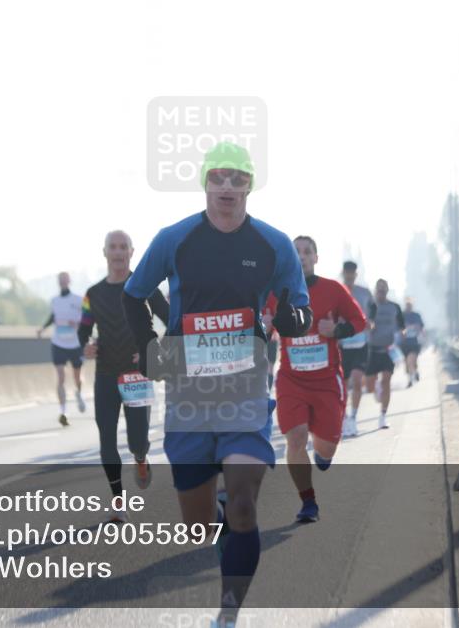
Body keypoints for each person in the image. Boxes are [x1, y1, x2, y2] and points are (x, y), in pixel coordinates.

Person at [123, 141, 311, 627]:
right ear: (205, 182)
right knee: (199, 527)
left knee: (246, 507)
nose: (227, 187)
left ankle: (228, 611)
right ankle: (218, 505)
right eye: (218, 177)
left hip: (246, 390)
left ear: (251, 185)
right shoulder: (175, 238)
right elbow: (134, 293)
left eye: (238, 178)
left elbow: (300, 309)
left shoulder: (273, 244)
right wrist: (149, 347)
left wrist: (290, 319)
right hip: (189, 394)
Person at [264, 236, 365, 523]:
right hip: (291, 380)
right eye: (296, 252)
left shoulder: (334, 290)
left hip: (326, 382)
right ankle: (308, 502)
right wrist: (265, 325)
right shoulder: (275, 292)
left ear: (316, 258)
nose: (302, 256)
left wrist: (337, 330)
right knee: (294, 438)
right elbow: (258, 323)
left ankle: (324, 454)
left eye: (307, 252)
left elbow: (360, 322)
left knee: (325, 448)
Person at [77, 230, 169, 523]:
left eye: (123, 247)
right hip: (105, 374)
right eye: (112, 248)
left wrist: (150, 351)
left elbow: (172, 321)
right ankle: (118, 502)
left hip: (137, 376)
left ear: (132, 252)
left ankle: (141, 458)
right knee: (106, 439)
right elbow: (83, 327)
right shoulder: (92, 294)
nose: (118, 253)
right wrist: (86, 345)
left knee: (137, 441)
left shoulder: (144, 287)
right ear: (104, 252)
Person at [38, 272, 85, 425]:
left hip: (75, 343)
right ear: (58, 282)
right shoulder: (55, 300)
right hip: (58, 343)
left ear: (69, 281)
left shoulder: (78, 300)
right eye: (60, 280)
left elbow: (87, 319)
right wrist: (43, 328)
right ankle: (63, 411)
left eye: (65, 279)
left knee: (77, 376)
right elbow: (53, 317)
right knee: (60, 377)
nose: (63, 282)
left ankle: (78, 392)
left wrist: (77, 324)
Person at [364, 279, 405, 430]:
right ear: (375, 291)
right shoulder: (371, 305)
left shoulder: (395, 307)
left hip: (388, 350)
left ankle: (383, 415)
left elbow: (402, 325)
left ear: (387, 291)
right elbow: (366, 320)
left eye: (383, 290)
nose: (381, 293)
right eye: (378, 290)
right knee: (369, 385)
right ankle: (375, 387)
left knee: (386, 381)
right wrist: (369, 326)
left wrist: (403, 333)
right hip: (372, 349)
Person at [340, 261, 373, 438]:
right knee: (343, 385)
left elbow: (372, 312)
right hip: (343, 344)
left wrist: (370, 323)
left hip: (361, 343)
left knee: (358, 380)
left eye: (352, 273)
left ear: (356, 274)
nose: (350, 275)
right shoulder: (337, 290)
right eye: (347, 272)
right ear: (343, 273)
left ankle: (353, 417)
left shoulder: (365, 293)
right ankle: (344, 418)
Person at [401, 300, 425, 387]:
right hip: (404, 343)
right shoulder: (402, 315)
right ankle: (415, 372)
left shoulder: (416, 315)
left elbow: (422, 327)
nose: (408, 307)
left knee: (411, 360)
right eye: (407, 305)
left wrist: (417, 329)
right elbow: (398, 327)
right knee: (408, 363)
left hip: (415, 342)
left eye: (410, 305)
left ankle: (410, 380)